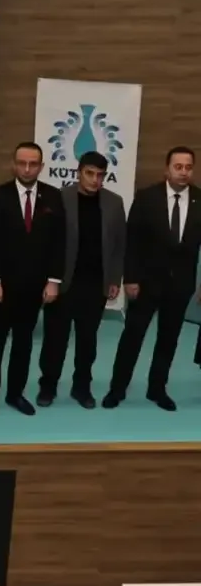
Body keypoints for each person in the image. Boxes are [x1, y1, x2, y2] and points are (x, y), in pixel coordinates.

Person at [108, 147, 200, 410]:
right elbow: (132, 242)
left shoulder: (200, 199)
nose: (183, 172)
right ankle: (117, 389)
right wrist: (130, 278)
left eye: (188, 167)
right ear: (166, 169)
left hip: (180, 285)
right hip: (145, 283)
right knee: (132, 337)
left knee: (168, 340)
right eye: (178, 166)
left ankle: (157, 389)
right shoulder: (147, 197)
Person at [0, 142, 66, 416]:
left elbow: (59, 243)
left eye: (33, 164)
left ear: (41, 166)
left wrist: (53, 280)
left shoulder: (53, 197)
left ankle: (15, 394)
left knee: (24, 342)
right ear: (13, 164)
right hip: (2, 286)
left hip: (35, 286)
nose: (27, 169)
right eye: (22, 163)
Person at [36, 152, 125, 410]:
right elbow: (48, 241)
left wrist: (114, 278)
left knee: (87, 341)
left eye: (100, 175)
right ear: (78, 172)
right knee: (55, 340)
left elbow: (119, 244)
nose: (95, 180)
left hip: (95, 284)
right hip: (63, 282)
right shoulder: (60, 197)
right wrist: (48, 279)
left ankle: (82, 387)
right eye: (89, 173)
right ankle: (48, 386)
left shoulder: (114, 202)